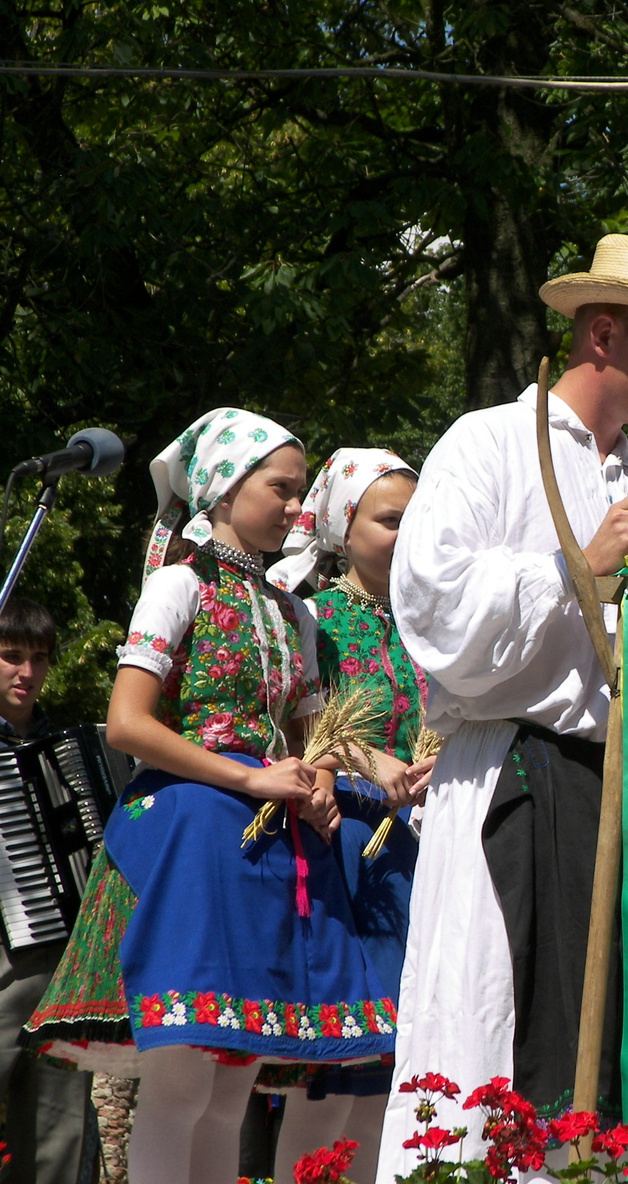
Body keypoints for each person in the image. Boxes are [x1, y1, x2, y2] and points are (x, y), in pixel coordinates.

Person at [379, 234, 628, 1179]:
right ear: (601, 333)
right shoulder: (488, 447)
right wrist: (568, 569)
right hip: (513, 776)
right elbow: (432, 605)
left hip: (625, 800)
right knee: (503, 1028)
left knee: (625, 1052)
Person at [22, 408, 414, 1184]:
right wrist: (250, 775)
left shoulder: (293, 611)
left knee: (231, 1087)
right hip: (193, 834)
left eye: (301, 493)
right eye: (279, 488)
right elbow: (129, 725)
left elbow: (304, 741)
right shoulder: (178, 584)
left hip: (268, 845)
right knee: (180, 1083)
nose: (295, 508)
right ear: (224, 489)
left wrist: (315, 783)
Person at [265, 448, 430, 1184]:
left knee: (397, 1064)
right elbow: (293, 723)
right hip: (343, 845)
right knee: (340, 1054)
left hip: (420, 852)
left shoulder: (431, 623)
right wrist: (368, 760)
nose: (409, 532)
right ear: (341, 526)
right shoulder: (314, 617)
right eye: (391, 519)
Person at [0, 598, 96, 1184]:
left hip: (59, 953)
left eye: (38, 659)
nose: (25, 673)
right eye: (10, 657)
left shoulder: (66, 745)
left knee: (58, 1127)